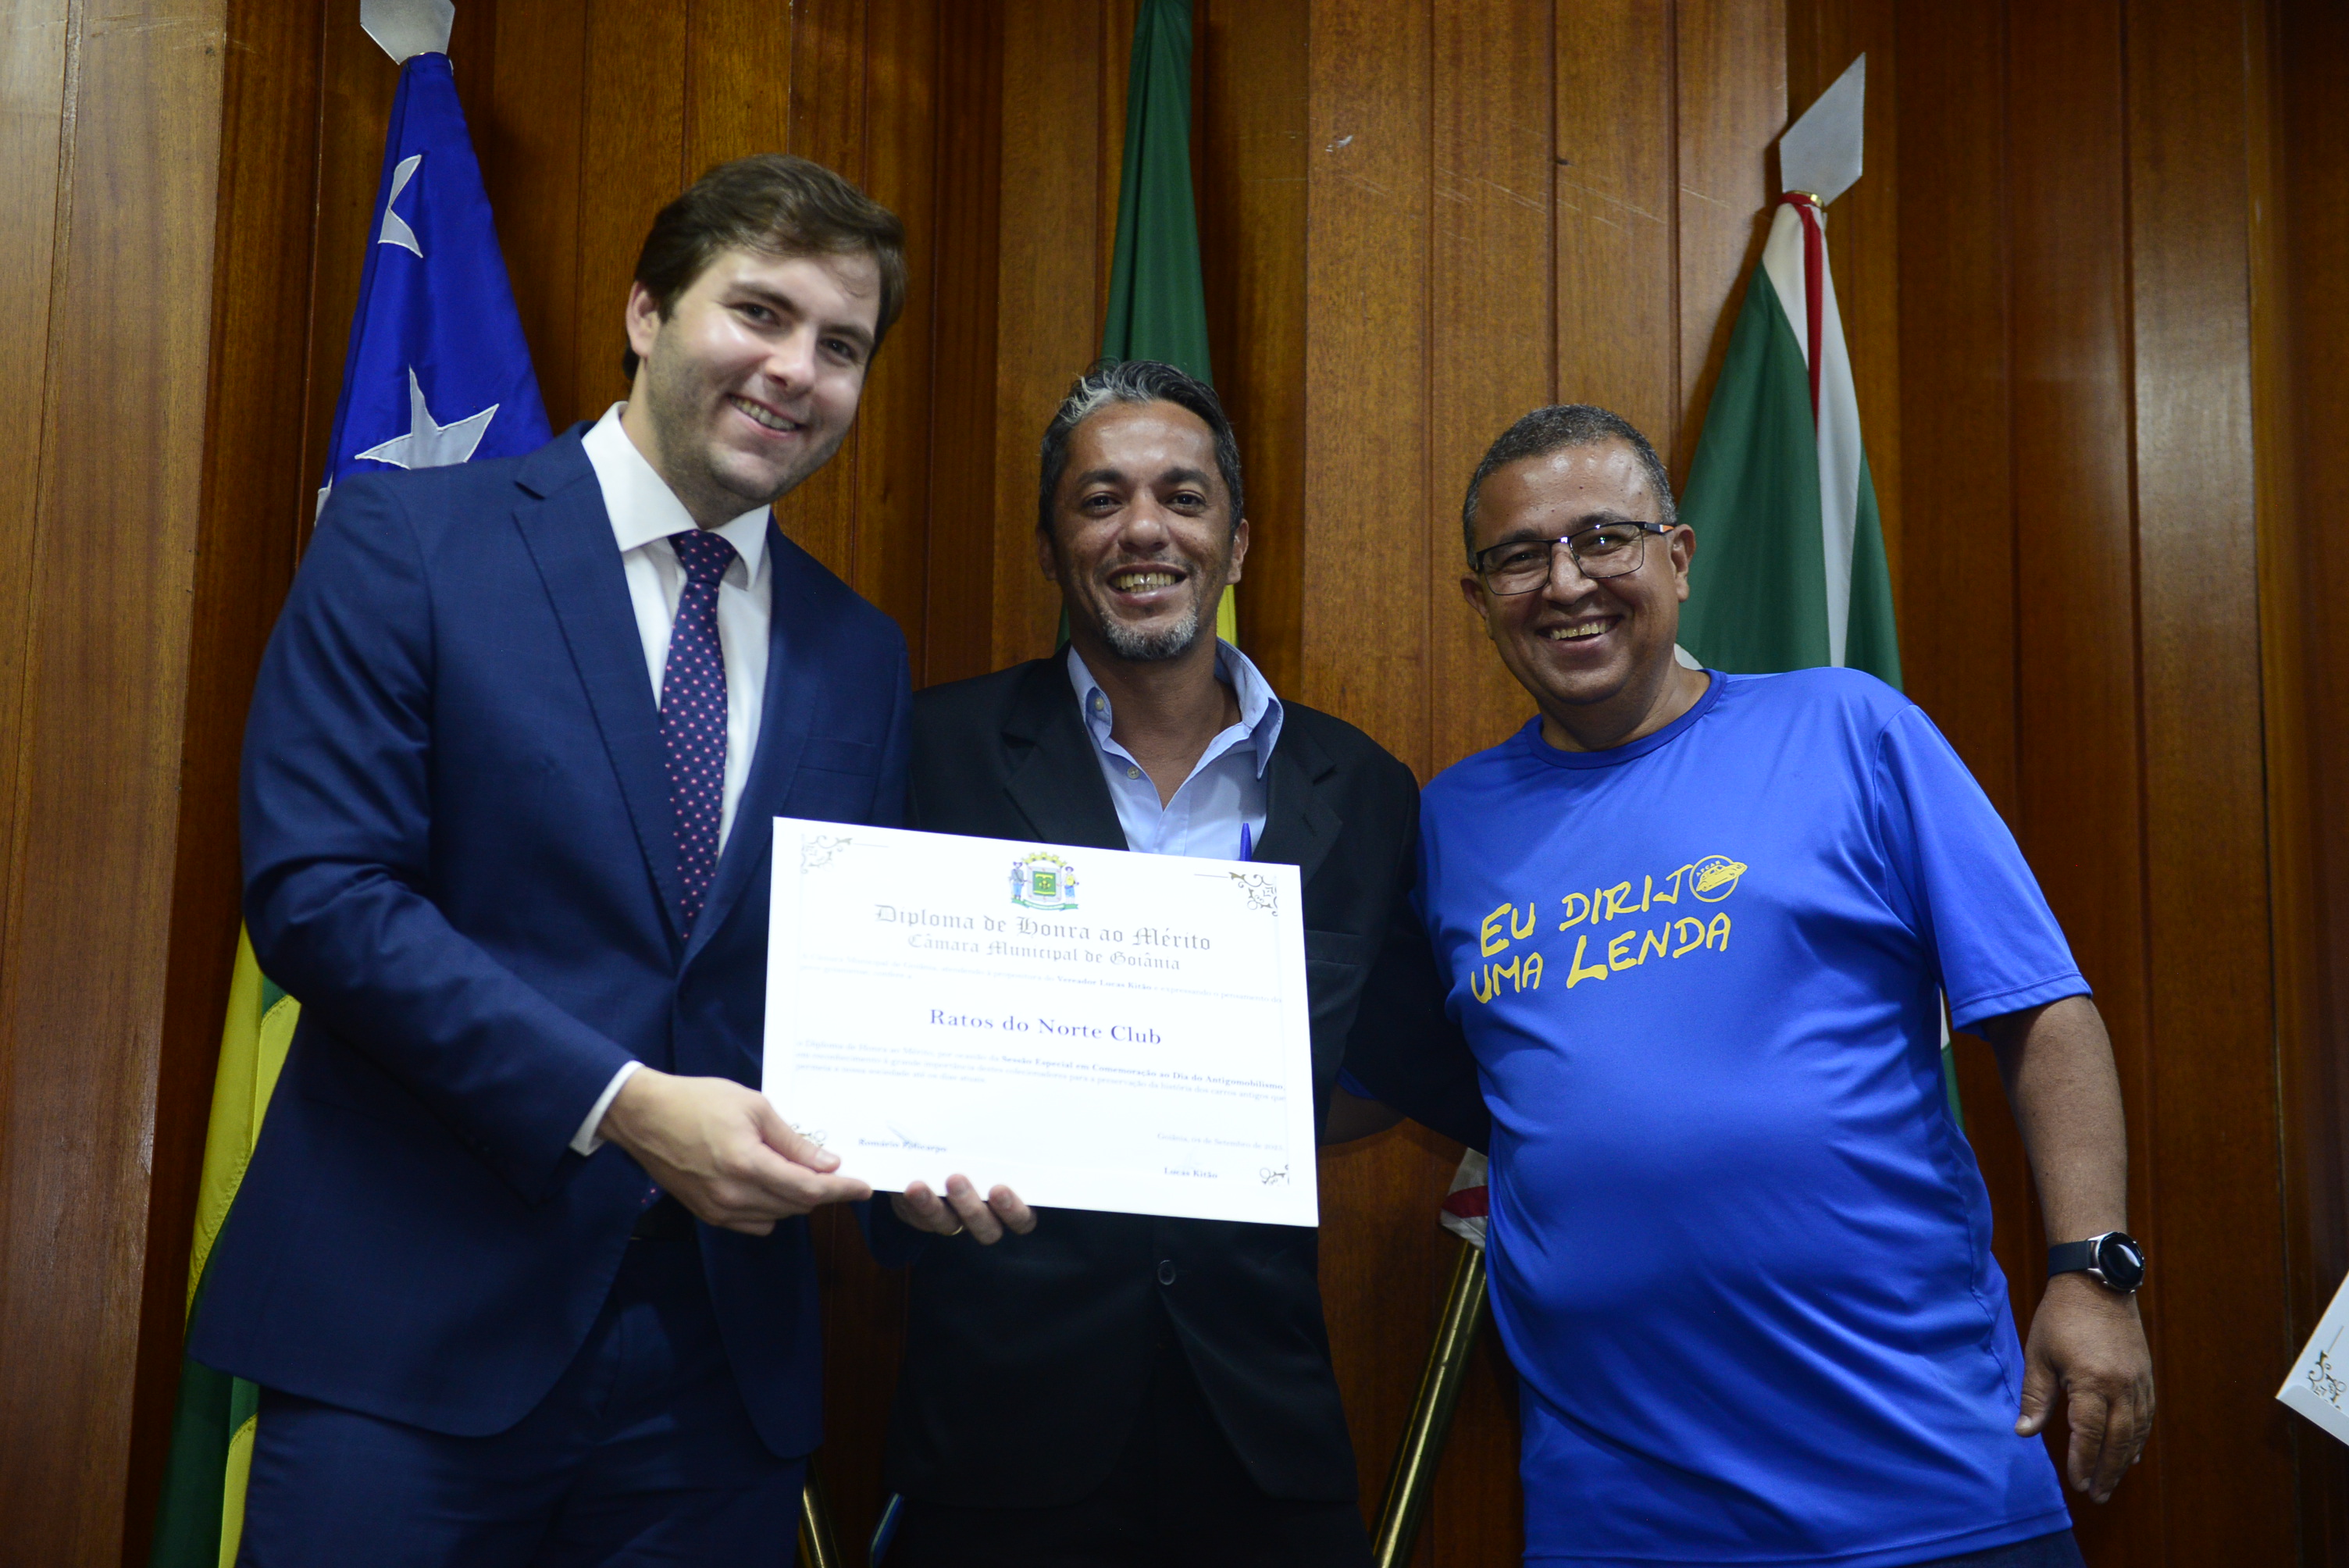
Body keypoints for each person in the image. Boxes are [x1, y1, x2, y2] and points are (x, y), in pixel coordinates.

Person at [191, 155, 911, 1565]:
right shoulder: (412, 542)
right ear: (646, 311)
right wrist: (623, 1105)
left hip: (714, 1385)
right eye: (759, 313)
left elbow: (843, 989)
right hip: (409, 1340)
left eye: (842, 346)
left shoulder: (860, 653)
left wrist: (923, 1163)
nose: (796, 370)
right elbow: (323, 898)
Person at [1413, 404, 2155, 1567]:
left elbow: (2040, 1010)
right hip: (1620, 1510)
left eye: (1603, 538)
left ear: (1678, 556)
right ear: (1479, 597)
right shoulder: (1451, 823)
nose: (1565, 583)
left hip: (1918, 1475)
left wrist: (2094, 1273)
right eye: (1520, 557)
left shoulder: (1851, 729)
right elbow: (1400, 1077)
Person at [866, 358, 1486, 1568]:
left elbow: (1397, 1060)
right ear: (1050, 549)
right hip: (999, 1437)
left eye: (1183, 497)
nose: (1143, 528)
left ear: (1237, 542)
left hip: (1263, 1434)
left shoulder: (1359, 789)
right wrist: (891, 1164)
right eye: (1100, 500)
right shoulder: (930, 753)